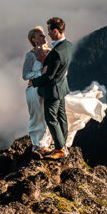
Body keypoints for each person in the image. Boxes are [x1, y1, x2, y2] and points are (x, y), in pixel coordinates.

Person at [30, 16, 73, 159]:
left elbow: (49, 76)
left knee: (51, 118)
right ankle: (63, 144)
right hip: (62, 87)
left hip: (53, 90)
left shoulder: (57, 53)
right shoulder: (68, 45)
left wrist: (33, 82)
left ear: (55, 31)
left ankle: (60, 149)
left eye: (49, 30)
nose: (47, 33)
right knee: (62, 116)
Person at [22, 26, 53, 151]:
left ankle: (45, 144)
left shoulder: (50, 52)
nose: (45, 37)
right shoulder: (30, 55)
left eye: (44, 35)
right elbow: (25, 75)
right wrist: (41, 73)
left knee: (48, 115)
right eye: (41, 35)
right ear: (34, 39)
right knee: (37, 116)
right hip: (34, 89)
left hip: (48, 87)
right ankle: (36, 144)